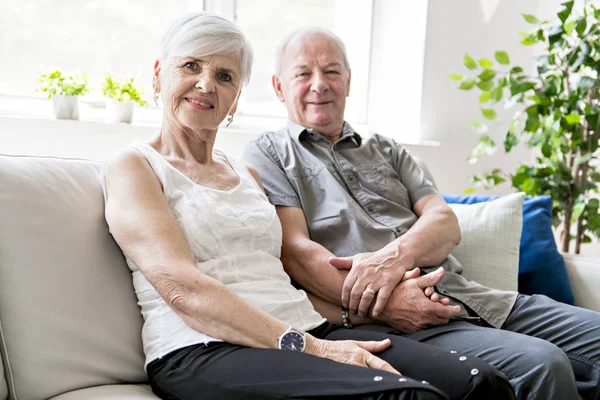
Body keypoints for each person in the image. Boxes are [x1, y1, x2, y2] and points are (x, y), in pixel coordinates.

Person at [101, 13, 514, 400]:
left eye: (223, 76)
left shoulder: (246, 173)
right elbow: (184, 291)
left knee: (481, 383)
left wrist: (370, 315)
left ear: (235, 99)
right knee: (407, 395)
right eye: (191, 66)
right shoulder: (134, 166)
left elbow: (279, 280)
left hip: (305, 330)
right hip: (203, 347)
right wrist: (311, 347)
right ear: (159, 75)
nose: (206, 85)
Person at [242, 27, 600, 400]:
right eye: (303, 73)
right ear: (279, 86)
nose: (320, 84)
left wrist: (394, 258)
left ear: (348, 81)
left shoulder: (386, 149)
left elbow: (443, 222)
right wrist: (387, 304)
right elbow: (297, 253)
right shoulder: (267, 154)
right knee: (543, 364)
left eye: (332, 71)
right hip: (407, 318)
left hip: (476, 297)